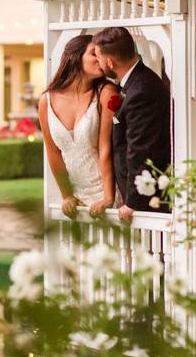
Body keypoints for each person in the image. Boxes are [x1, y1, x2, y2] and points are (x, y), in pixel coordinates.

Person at [91, 26, 171, 222]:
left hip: (146, 201)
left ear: (110, 61)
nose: (99, 64)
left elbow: (141, 148)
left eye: (99, 58)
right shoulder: (132, 83)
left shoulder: (142, 89)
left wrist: (133, 202)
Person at [38, 35, 119, 220]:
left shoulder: (106, 93)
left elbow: (105, 148)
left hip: (107, 194)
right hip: (76, 201)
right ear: (75, 56)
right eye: (94, 54)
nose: (101, 60)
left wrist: (108, 197)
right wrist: (66, 195)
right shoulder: (46, 100)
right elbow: (53, 152)